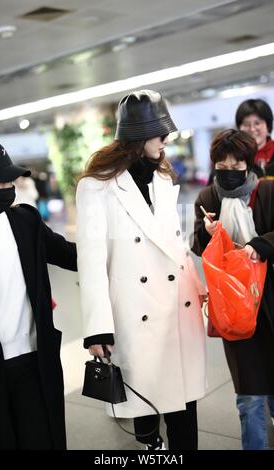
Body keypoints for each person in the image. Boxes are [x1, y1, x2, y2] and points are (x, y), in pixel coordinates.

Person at [76, 89, 206, 450]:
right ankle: (153, 447)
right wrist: (97, 329)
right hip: (135, 313)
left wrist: (197, 285)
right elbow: (91, 262)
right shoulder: (96, 187)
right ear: (138, 134)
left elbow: (174, 245)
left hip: (179, 309)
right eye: (159, 132)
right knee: (146, 405)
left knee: (184, 407)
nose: (166, 139)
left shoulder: (163, 178)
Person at [192, 129, 274, 450]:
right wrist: (209, 233)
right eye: (223, 165)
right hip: (234, 304)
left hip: (273, 298)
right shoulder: (207, 199)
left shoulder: (270, 191)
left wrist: (263, 244)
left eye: (237, 166)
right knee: (248, 391)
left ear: (249, 165)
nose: (229, 172)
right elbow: (198, 245)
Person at [0, 141, 77, 450]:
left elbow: (70, 255)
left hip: (33, 358)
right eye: (0, 180)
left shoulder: (24, 221)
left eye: (9, 179)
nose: (8, 186)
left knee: (40, 439)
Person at [236, 98, 274, 195]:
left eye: (257, 123)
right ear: (239, 129)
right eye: (246, 124)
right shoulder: (233, 161)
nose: (252, 129)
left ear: (268, 125)